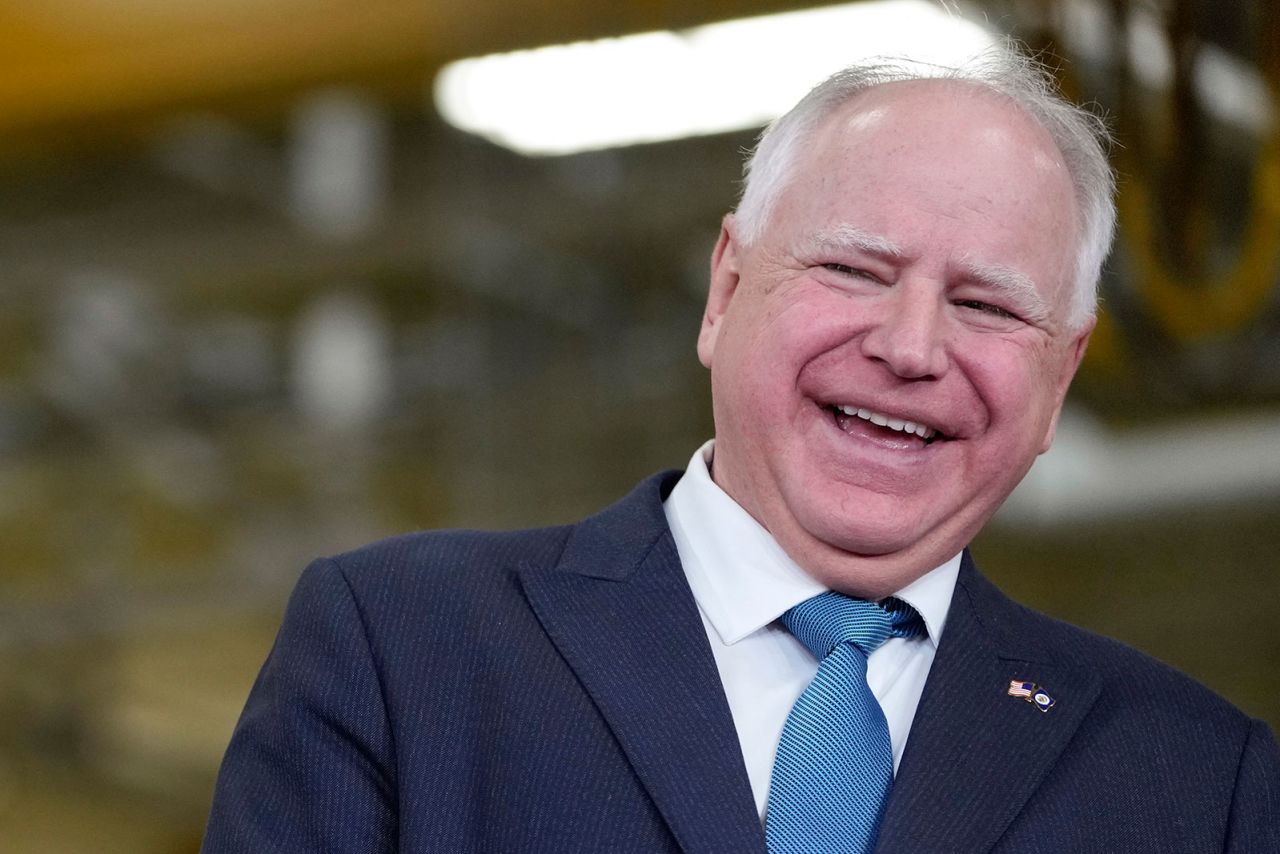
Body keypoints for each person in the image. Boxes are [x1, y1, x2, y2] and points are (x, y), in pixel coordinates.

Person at [202, 44, 1280, 853]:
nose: (910, 346)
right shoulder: (405, 648)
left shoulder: (1200, 780)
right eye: (855, 270)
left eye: (986, 303)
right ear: (725, 288)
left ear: (1059, 377)